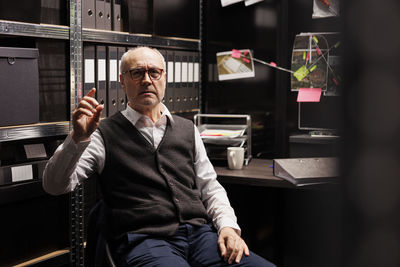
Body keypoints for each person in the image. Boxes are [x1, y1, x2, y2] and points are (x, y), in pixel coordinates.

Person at [43, 46, 276, 267]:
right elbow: (54, 185)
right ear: (123, 82)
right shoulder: (101, 134)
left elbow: (210, 188)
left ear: (165, 78)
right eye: (137, 73)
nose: (146, 79)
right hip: (144, 241)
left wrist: (227, 227)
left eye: (154, 72)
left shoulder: (188, 129)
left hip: (199, 236)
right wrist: (77, 139)